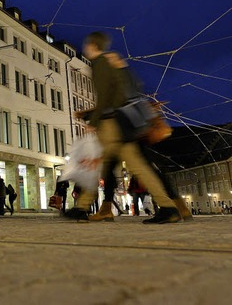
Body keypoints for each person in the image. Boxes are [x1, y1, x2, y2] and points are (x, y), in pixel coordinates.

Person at [64, 32, 181, 224]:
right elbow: (133, 87)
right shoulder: (115, 63)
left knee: (98, 163)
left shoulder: (101, 63)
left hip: (110, 124)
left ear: (91, 45)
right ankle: (168, 207)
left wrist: (93, 122)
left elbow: (104, 96)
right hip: (123, 123)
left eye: (86, 45)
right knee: (137, 166)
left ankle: (81, 208)